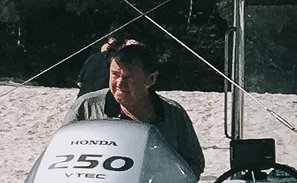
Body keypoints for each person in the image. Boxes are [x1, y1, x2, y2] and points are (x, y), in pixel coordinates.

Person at [62, 35, 205, 174]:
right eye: (115, 75)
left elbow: (194, 164)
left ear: (150, 79)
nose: (119, 83)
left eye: (128, 77)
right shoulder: (87, 107)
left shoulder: (173, 114)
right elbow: (59, 151)